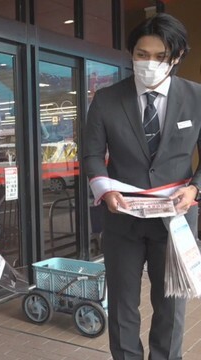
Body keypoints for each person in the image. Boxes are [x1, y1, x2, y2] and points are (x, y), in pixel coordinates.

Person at [83, 13, 201, 360]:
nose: (149, 63)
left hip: (176, 220)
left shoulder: (196, 97)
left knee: (171, 308)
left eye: (160, 56)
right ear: (131, 53)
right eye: (141, 54)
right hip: (123, 219)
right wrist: (105, 190)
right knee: (122, 306)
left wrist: (195, 190)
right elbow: (91, 155)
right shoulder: (106, 99)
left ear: (177, 56)